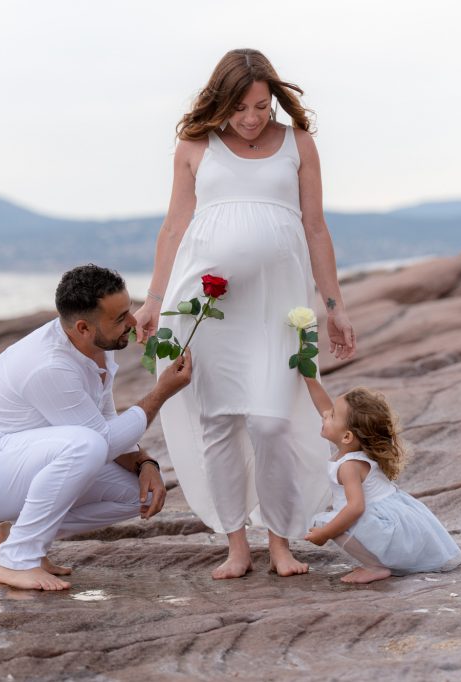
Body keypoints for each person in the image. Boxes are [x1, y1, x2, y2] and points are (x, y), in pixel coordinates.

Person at [134, 48, 357, 579]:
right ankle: (237, 545)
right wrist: (153, 299)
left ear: (273, 98)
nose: (252, 118)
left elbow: (316, 228)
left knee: (272, 423)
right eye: (239, 108)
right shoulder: (194, 146)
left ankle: (280, 541)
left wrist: (334, 307)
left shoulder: (298, 144)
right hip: (205, 308)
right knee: (218, 423)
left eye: (261, 105)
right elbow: (174, 228)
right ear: (220, 102)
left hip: (278, 310)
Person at [0, 264, 192, 591]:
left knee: (136, 494)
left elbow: (105, 422)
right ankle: (16, 561)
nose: (132, 322)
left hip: (21, 463)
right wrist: (160, 393)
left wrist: (145, 464)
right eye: (120, 318)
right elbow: (101, 441)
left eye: (128, 311)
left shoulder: (96, 349)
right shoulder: (49, 365)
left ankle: (18, 536)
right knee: (87, 445)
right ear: (83, 327)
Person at [301, 378, 461, 583]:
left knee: (329, 522)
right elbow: (325, 408)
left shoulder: (349, 466)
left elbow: (356, 508)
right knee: (334, 520)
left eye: (332, 416)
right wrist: (310, 380)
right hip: (392, 519)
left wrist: (325, 533)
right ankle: (378, 562)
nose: (325, 415)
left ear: (347, 437)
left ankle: (374, 566)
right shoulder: (355, 448)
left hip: (381, 525)